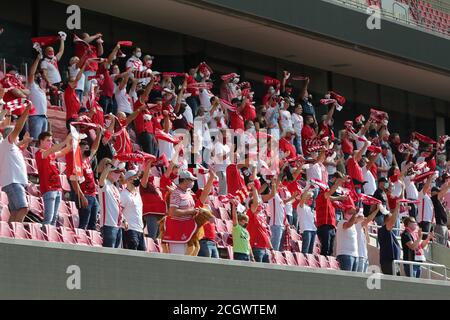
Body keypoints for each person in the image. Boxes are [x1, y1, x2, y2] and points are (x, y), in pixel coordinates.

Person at [0, 104, 32, 223]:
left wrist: (25, 142)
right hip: (14, 182)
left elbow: (16, 147)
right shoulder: (6, 143)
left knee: (14, 211)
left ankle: (10, 232)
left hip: (13, 182)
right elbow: (18, 127)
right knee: (23, 208)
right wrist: (26, 111)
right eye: (16, 136)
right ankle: (16, 233)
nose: (17, 137)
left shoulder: (8, 146)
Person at [35, 132, 72, 225]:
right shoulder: (40, 153)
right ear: (41, 141)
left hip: (57, 188)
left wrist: (71, 142)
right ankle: (45, 237)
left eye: (51, 141)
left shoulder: (50, 154)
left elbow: (64, 151)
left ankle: (49, 236)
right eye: (48, 140)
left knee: (54, 218)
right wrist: (65, 141)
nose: (50, 143)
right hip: (49, 188)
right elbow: (53, 150)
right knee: (49, 218)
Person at [69, 128, 102, 230]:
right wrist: (82, 196)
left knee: (93, 224)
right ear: (79, 149)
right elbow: (74, 181)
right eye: (85, 148)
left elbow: (95, 148)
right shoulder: (77, 163)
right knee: (84, 223)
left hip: (92, 195)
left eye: (88, 147)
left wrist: (99, 134)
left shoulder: (87, 160)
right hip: (84, 195)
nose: (88, 150)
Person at [315, 172, 347, 256]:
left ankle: (327, 265)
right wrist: (339, 182)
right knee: (326, 249)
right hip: (325, 226)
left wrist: (340, 197)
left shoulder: (327, 198)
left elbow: (331, 196)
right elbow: (330, 192)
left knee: (330, 250)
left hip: (331, 226)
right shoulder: (322, 196)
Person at [98, 158, 126, 248]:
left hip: (117, 225)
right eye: (116, 172)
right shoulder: (105, 184)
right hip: (108, 225)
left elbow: (118, 206)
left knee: (116, 255)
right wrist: (110, 166)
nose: (119, 175)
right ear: (109, 172)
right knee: (109, 255)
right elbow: (101, 180)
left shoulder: (115, 188)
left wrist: (124, 219)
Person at [247, 182, 273, 263]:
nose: (260, 205)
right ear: (251, 206)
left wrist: (271, 249)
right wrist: (254, 189)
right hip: (256, 248)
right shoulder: (251, 214)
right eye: (258, 204)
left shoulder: (261, 217)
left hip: (265, 249)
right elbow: (255, 202)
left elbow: (265, 234)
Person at [140, 158, 166, 240]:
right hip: (151, 213)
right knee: (152, 237)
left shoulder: (155, 183)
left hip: (161, 213)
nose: (151, 170)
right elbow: (145, 177)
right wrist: (148, 165)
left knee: (158, 238)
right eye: (149, 169)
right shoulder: (143, 184)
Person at [121, 170, 146, 251]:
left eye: (137, 177)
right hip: (130, 229)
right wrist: (124, 221)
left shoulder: (138, 194)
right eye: (135, 177)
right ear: (128, 180)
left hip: (139, 229)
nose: (137, 179)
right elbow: (119, 210)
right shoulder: (124, 194)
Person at [27, 52, 49, 140]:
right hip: (35, 116)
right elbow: (31, 73)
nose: (40, 77)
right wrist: (38, 59)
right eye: (38, 75)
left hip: (44, 117)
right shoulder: (32, 86)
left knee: (43, 142)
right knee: (35, 140)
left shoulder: (42, 89)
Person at [41, 35, 65, 106]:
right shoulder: (44, 62)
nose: (51, 52)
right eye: (49, 51)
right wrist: (49, 83)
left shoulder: (54, 59)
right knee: (53, 101)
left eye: (52, 50)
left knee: (59, 100)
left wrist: (62, 40)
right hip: (51, 84)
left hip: (58, 83)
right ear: (45, 53)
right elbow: (44, 74)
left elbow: (61, 51)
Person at [378, 200, 401, 275]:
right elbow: (392, 222)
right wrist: (397, 207)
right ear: (387, 220)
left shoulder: (390, 232)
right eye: (392, 219)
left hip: (394, 263)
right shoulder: (383, 230)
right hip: (388, 262)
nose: (394, 223)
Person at [336, 207, 360, 272]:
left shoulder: (353, 225)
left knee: (353, 280)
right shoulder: (341, 222)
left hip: (355, 255)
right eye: (350, 212)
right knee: (346, 279)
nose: (352, 214)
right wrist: (355, 214)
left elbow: (360, 219)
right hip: (345, 254)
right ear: (344, 213)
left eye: (352, 213)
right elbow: (348, 225)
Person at [297, 189, 317, 254]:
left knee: (310, 252)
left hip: (313, 230)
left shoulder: (309, 208)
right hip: (306, 230)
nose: (311, 199)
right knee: (305, 250)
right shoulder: (301, 206)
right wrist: (307, 190)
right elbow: (302, 200)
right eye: (310, 197)